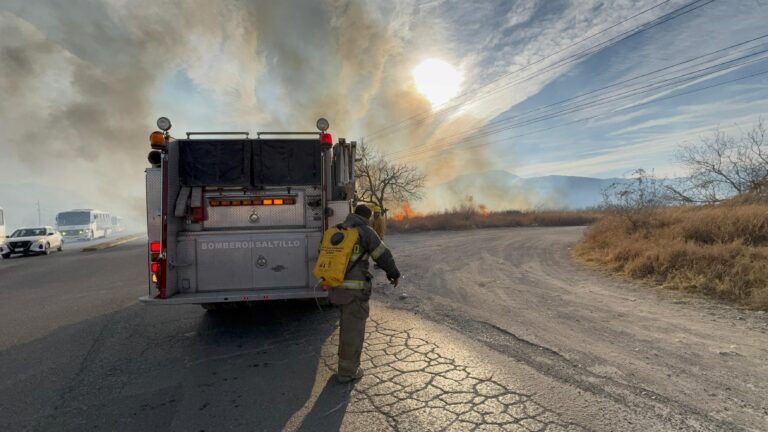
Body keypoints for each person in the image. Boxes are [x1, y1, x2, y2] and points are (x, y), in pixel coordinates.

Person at [329, 204, 400, 383]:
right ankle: (347, 372)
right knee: (353, 330)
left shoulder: (337, 230)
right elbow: (383, 255)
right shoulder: (365, 232)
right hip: (355, 290)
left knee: (346, 326)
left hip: (335, 286)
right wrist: (394, 274)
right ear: (367, 218)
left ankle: (344, 362)